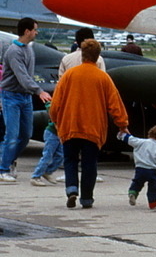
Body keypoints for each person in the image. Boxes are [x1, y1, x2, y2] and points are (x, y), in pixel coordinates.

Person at [48, 40, 129, 209]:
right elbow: (115, 105)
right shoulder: (103, 77)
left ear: (82, 55)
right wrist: (122, 124)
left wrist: (56, 120)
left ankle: (71, 190)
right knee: (89, 163)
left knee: (70, 160)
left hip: (70, 126)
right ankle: (86, 198)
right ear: (98, 56)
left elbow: (55, 103)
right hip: (93, 128)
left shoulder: (69, 75)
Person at [32, 28, 107, 187]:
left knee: (71, 146)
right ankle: (88, 177)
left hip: (70, 106)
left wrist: (54, 113)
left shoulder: (67, 59)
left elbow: (60, 84)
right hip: (91, 108)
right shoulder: (99, 60)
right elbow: (104, 83)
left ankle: (71, 182)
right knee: (89, 144)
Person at [1, 18, 52, 182]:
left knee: (25, 134)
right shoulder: (14, 51)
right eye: (35, 30)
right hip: (11, 97)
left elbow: (28, 76)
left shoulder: (29, 50)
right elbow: (22, 76)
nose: (36, 33)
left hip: (25, 97)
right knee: (12, 134)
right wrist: (40, 91)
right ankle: (3, 169)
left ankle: (9, 161)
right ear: (27, 31)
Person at [120, 125, 156, 209]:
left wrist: (121, 135)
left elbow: (130, 139)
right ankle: (153, 203)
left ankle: (133, 192)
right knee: (154, 187)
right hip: (153, 171)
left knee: (137, 182)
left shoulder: (140, 142)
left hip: (140, 169)